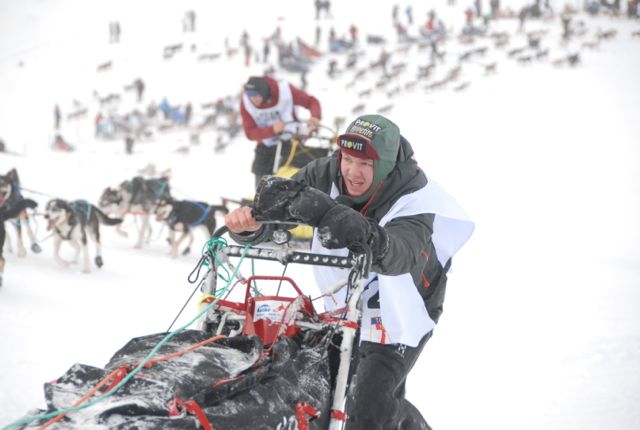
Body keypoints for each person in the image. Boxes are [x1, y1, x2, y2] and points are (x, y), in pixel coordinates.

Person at [225, 114, 474, 429]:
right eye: (348, 159)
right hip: (346, 300)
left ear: (384, 165)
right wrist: (250, 227)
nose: (353, 172)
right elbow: (277, 219)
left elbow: (398, 255)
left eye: (366, 164)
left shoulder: (415, 198)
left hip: (402, 307)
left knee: (368, 409)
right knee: (324, 391)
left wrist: (335, 217)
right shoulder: (324, 173)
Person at [239, 75, 322, 187]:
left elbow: (311, 101)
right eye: (250, 96)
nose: (253, 99)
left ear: (263, 91)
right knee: (261, 186)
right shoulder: (246, 103)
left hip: (291, 143)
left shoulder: (285, 91)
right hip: (265, 148)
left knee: (293, 181)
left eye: (256, 95)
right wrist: (272, 130)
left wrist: (315, 117)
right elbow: (250, 133)